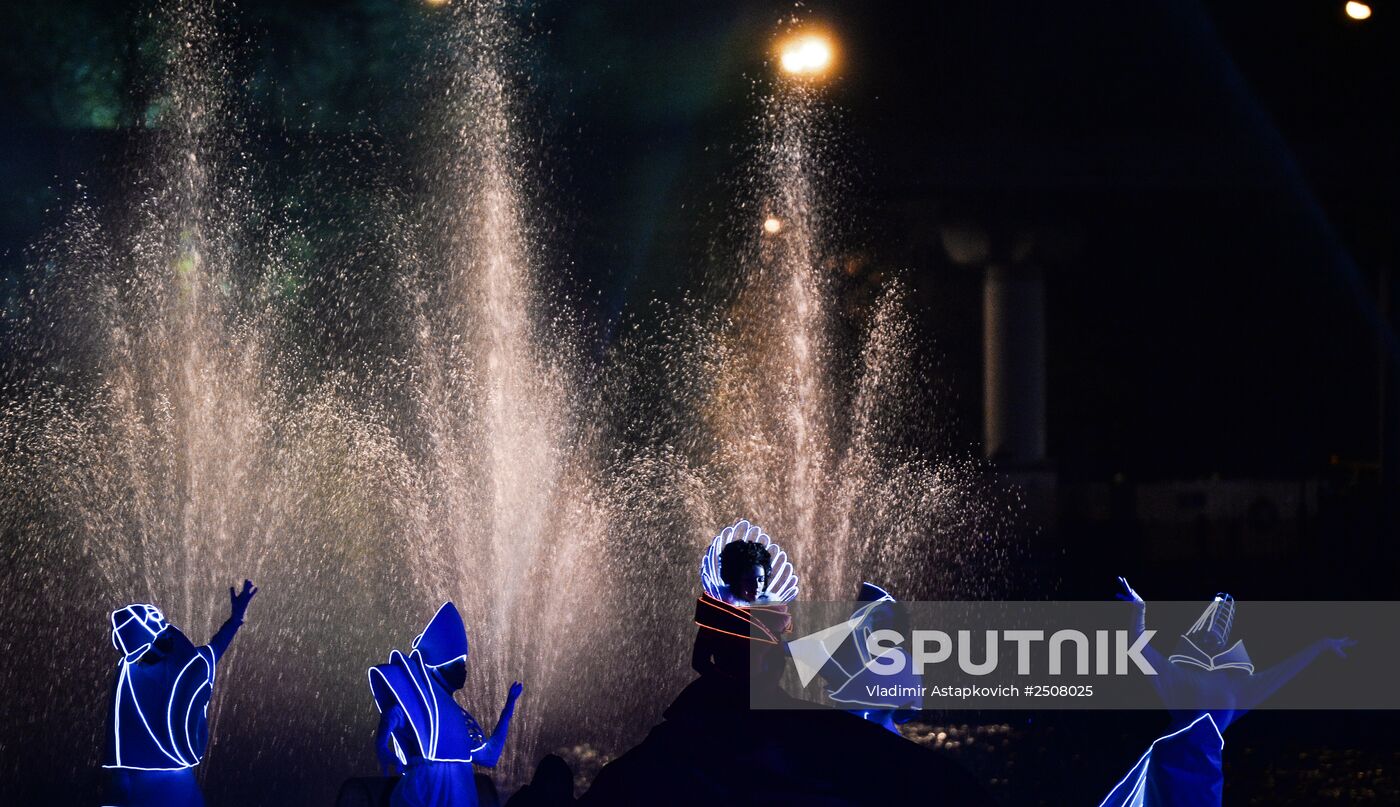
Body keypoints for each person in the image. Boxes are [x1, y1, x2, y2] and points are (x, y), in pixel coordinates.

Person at [1100, 577, 1355, 807]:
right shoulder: (1178, 676)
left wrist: (1322, 646)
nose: (1215, 631)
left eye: (1222, 623)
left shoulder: (1241, 686)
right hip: (1171, 766)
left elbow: (1284, 672)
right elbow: (1138, 648)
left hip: (1207, 773)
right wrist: (1139, 609)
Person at [101, 580, 258, 807]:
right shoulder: (134, 676)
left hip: (175, 780)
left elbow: (212, 652)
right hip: (158, 784)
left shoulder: (166, 667)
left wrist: (235, 620)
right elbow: (211, 652)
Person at [370, 601, 522, 807]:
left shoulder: (460, 717)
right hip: (423, 792)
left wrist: (508, 709)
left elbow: (489, 755)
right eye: (458, 664)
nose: (464, 670)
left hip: (459, 795)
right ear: (437, 666)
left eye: (464, 664)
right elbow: (394, 714)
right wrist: (381, 746)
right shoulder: (421, 701)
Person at [691, 519, 798, 686]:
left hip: (761, 693)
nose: (757, 586)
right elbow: (699, 661)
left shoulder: (769, 614)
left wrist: (766, 685)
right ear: (734, 579)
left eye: (761, 579)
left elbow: (776, 657)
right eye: (749, 580)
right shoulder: (717, 613)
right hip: (722, 695)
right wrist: (730, 687)